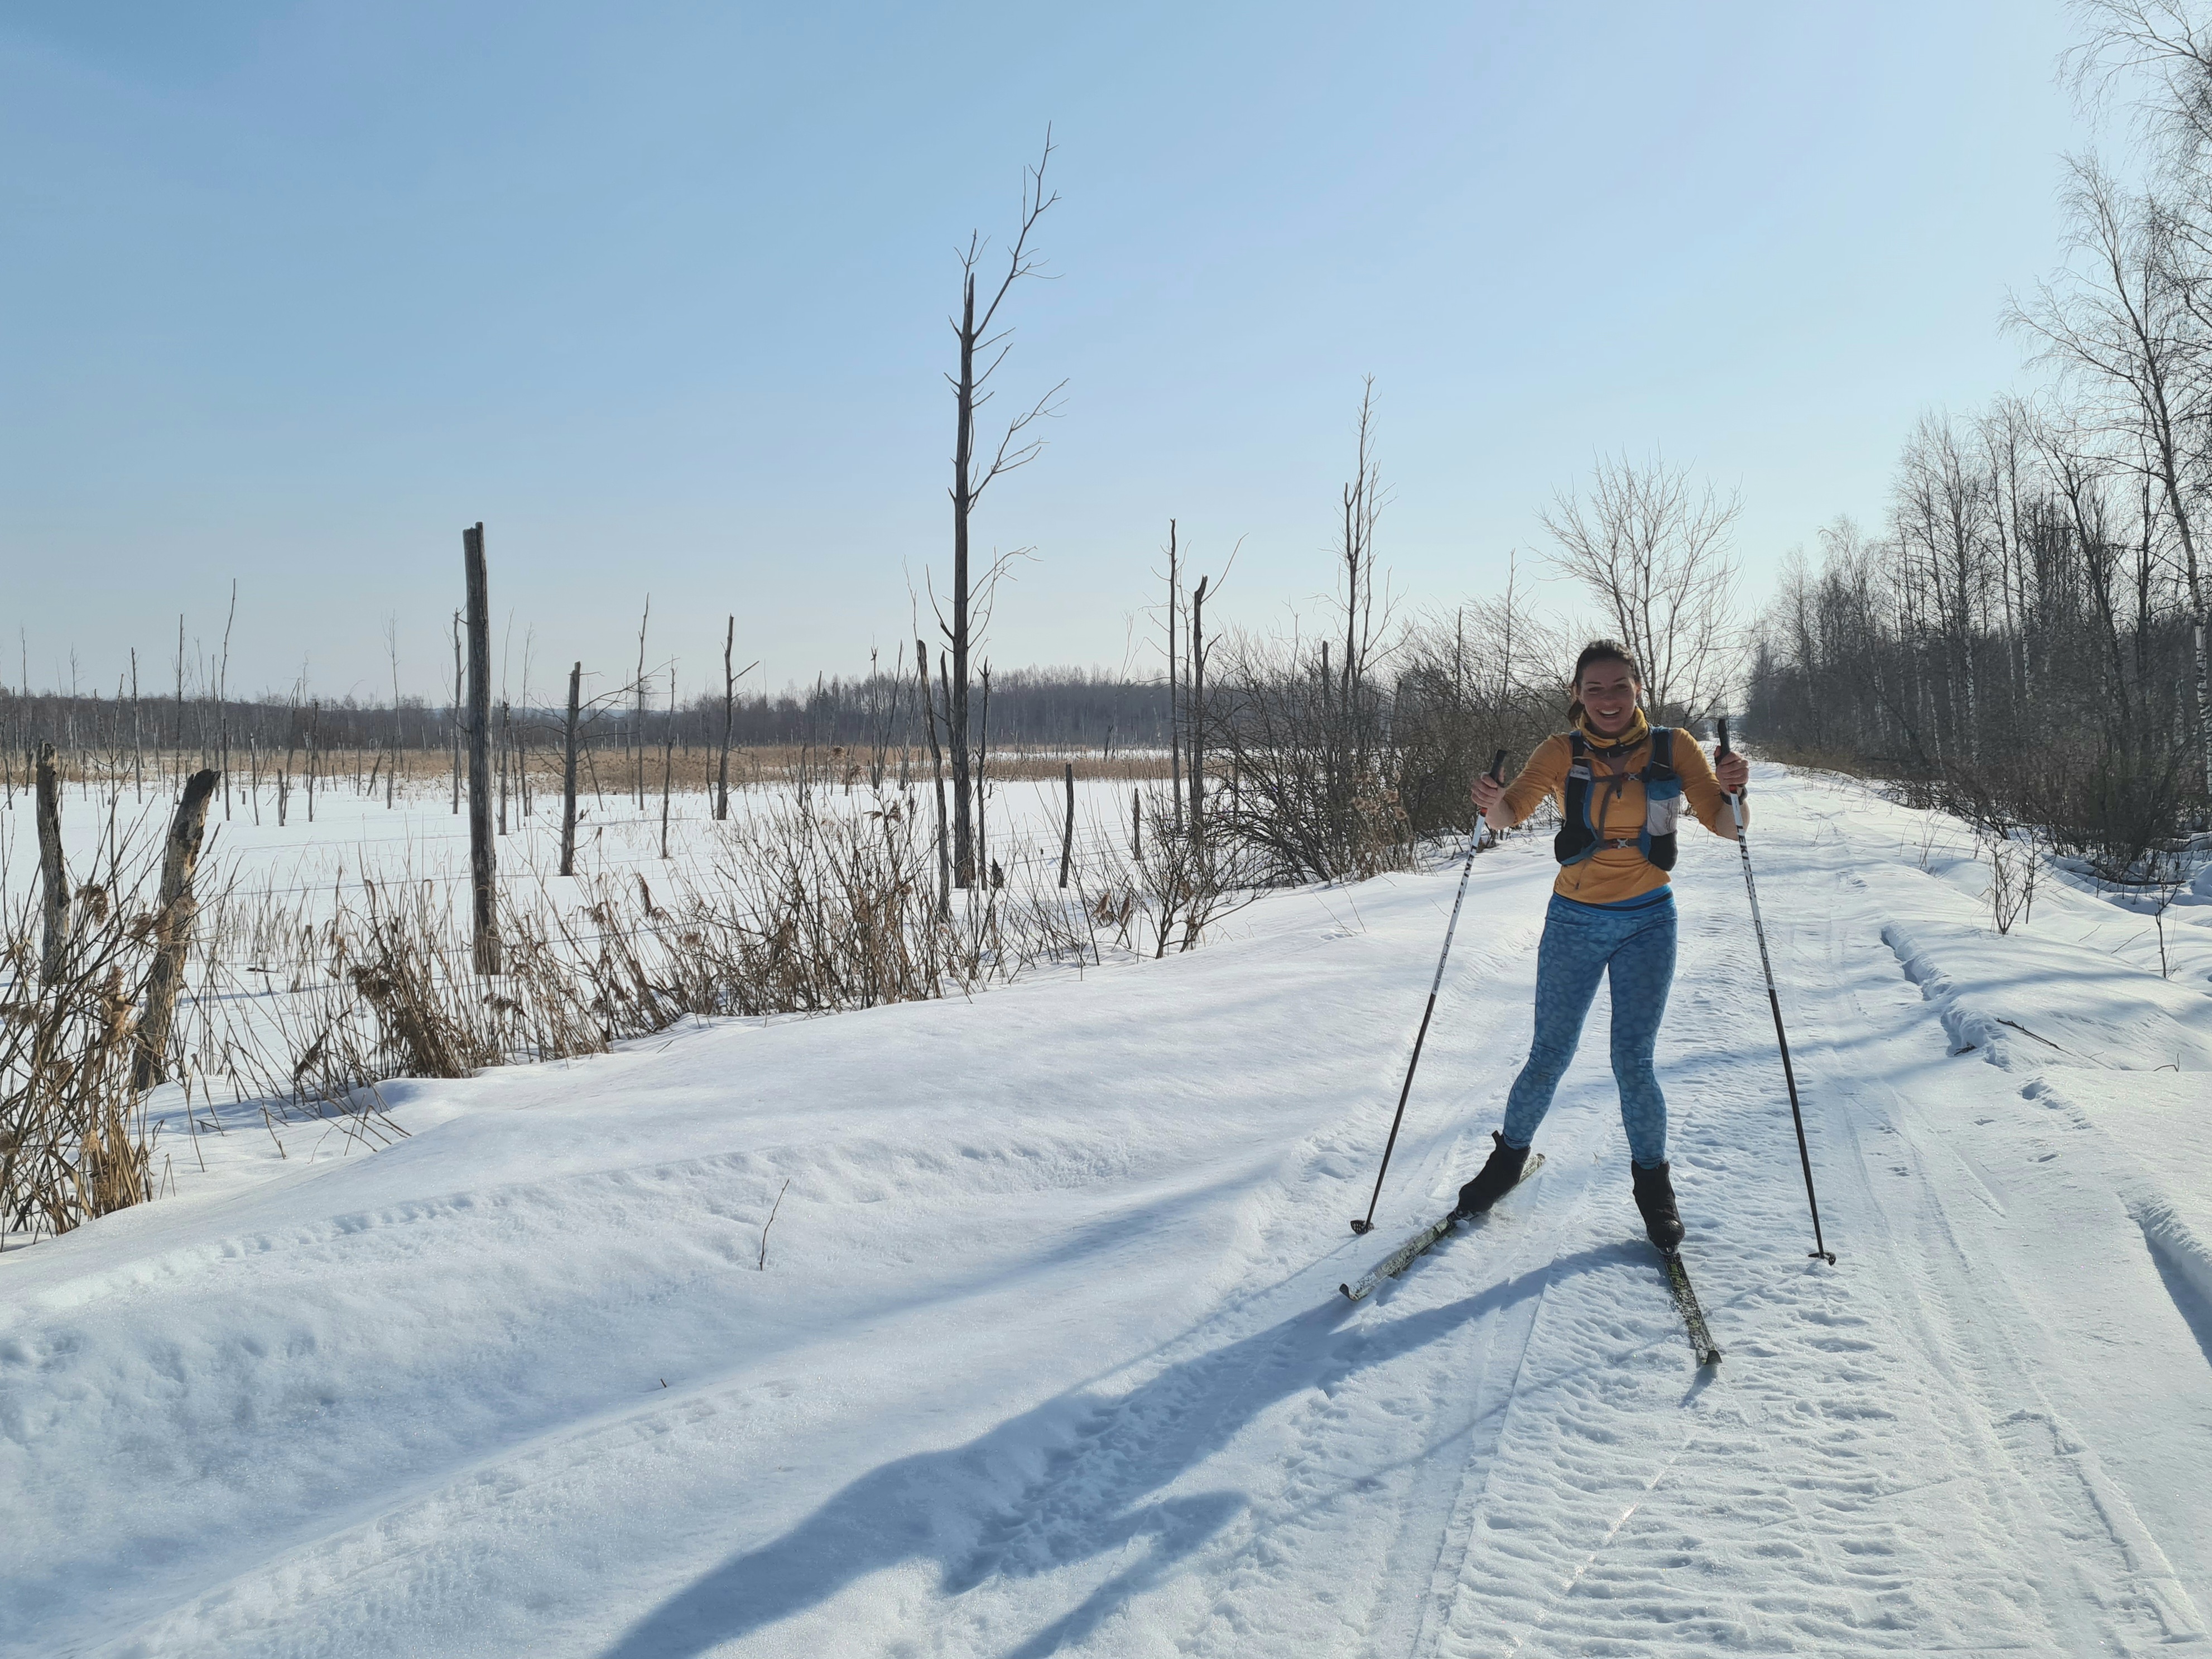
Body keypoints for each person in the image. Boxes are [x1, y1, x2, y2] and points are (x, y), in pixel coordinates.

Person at [1457, 639, 1749, 1251]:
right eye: (1595, 689)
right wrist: (1490, 802)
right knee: (1549, 1054)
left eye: (1619, 686)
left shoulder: (1674, 746)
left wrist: (1735, 792)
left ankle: (1654, 1188)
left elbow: (1729, 827)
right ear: (1577, 695)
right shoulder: (1559, 750)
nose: (1608, 699)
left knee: (1632, 1061)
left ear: (1638, 688)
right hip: (1574, 920)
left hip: (1649, 921)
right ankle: (1505, 1164)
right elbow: (1510, 812)